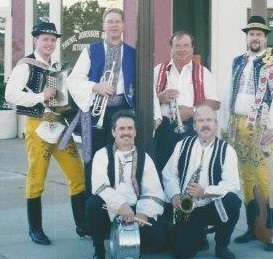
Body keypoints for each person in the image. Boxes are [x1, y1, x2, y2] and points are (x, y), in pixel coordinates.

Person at [5, 22, 86, 245]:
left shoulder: (56, 67)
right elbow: (10, 95)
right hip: (36, 125)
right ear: (36, 40)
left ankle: (82, 225)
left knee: (77, 175)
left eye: (53, 40)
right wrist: (41, 96)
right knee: (36, 177)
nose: (49, 43)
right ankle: (35, 229)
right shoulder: (25, 65)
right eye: (45, 39)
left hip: (59, 125)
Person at [219, 16, 273, 251]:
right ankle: (254, 227)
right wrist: (224, 124)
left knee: (263, 176)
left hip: (261, 125)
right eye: (251, 34)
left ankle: (270, 228)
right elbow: (229, 91)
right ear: (247, 37)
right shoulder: (238, 61)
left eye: (259, 34)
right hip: (238, 125)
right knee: (245, 176)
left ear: (265, 37)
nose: (255, 37)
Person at [59, 8, 136, 198]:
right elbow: (74, 80)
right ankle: (93, 211)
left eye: (117, 21)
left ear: (124, 25)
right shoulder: (90, 50)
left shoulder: (133, 53)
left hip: (123, 111)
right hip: (95, 113)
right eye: (109, 21)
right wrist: (95, 86)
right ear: (103, 25)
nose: (113, 25)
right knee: (93, 160)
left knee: (120, 157)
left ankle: (120, 204)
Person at [162, 105, 241, 259]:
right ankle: (198, 234)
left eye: (209, 120)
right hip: (188, 209)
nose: (205, 124)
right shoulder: (182, 145)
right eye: (200, 120)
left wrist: (205, 192)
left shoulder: (227, 150)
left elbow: (232, 185)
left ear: (216, 124)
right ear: (194, 125)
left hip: (213, 206)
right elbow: (169, 174)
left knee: (232, 202)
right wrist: (175, 195)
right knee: (182, 253)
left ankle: (221, 245)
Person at [85, 110, 166, 259]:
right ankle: (99, 249)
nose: (126, 132)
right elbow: (100, 185)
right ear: (113, 132)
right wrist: (121, 205)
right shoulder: (102, 154)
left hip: (136, 210)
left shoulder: (144, 157)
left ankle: (128, 243)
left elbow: (154, 191)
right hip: (110, 208)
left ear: (135, 132)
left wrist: (144, 213)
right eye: (121, 129)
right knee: (93, 204)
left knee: (158, 239)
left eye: (130, 128)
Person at [153, 31, 220, 175]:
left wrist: (193, 111)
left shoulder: (203, 72)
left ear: (192, 48)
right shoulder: (158, 70)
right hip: (164, 128)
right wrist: (160, 97)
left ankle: (186, 197)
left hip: (192, 128)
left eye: (186, 45)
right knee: (161, 167)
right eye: (177, 46)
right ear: (171, 49)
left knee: (189, 166)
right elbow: (147, 100)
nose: (181, 49)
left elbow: (215, 102)